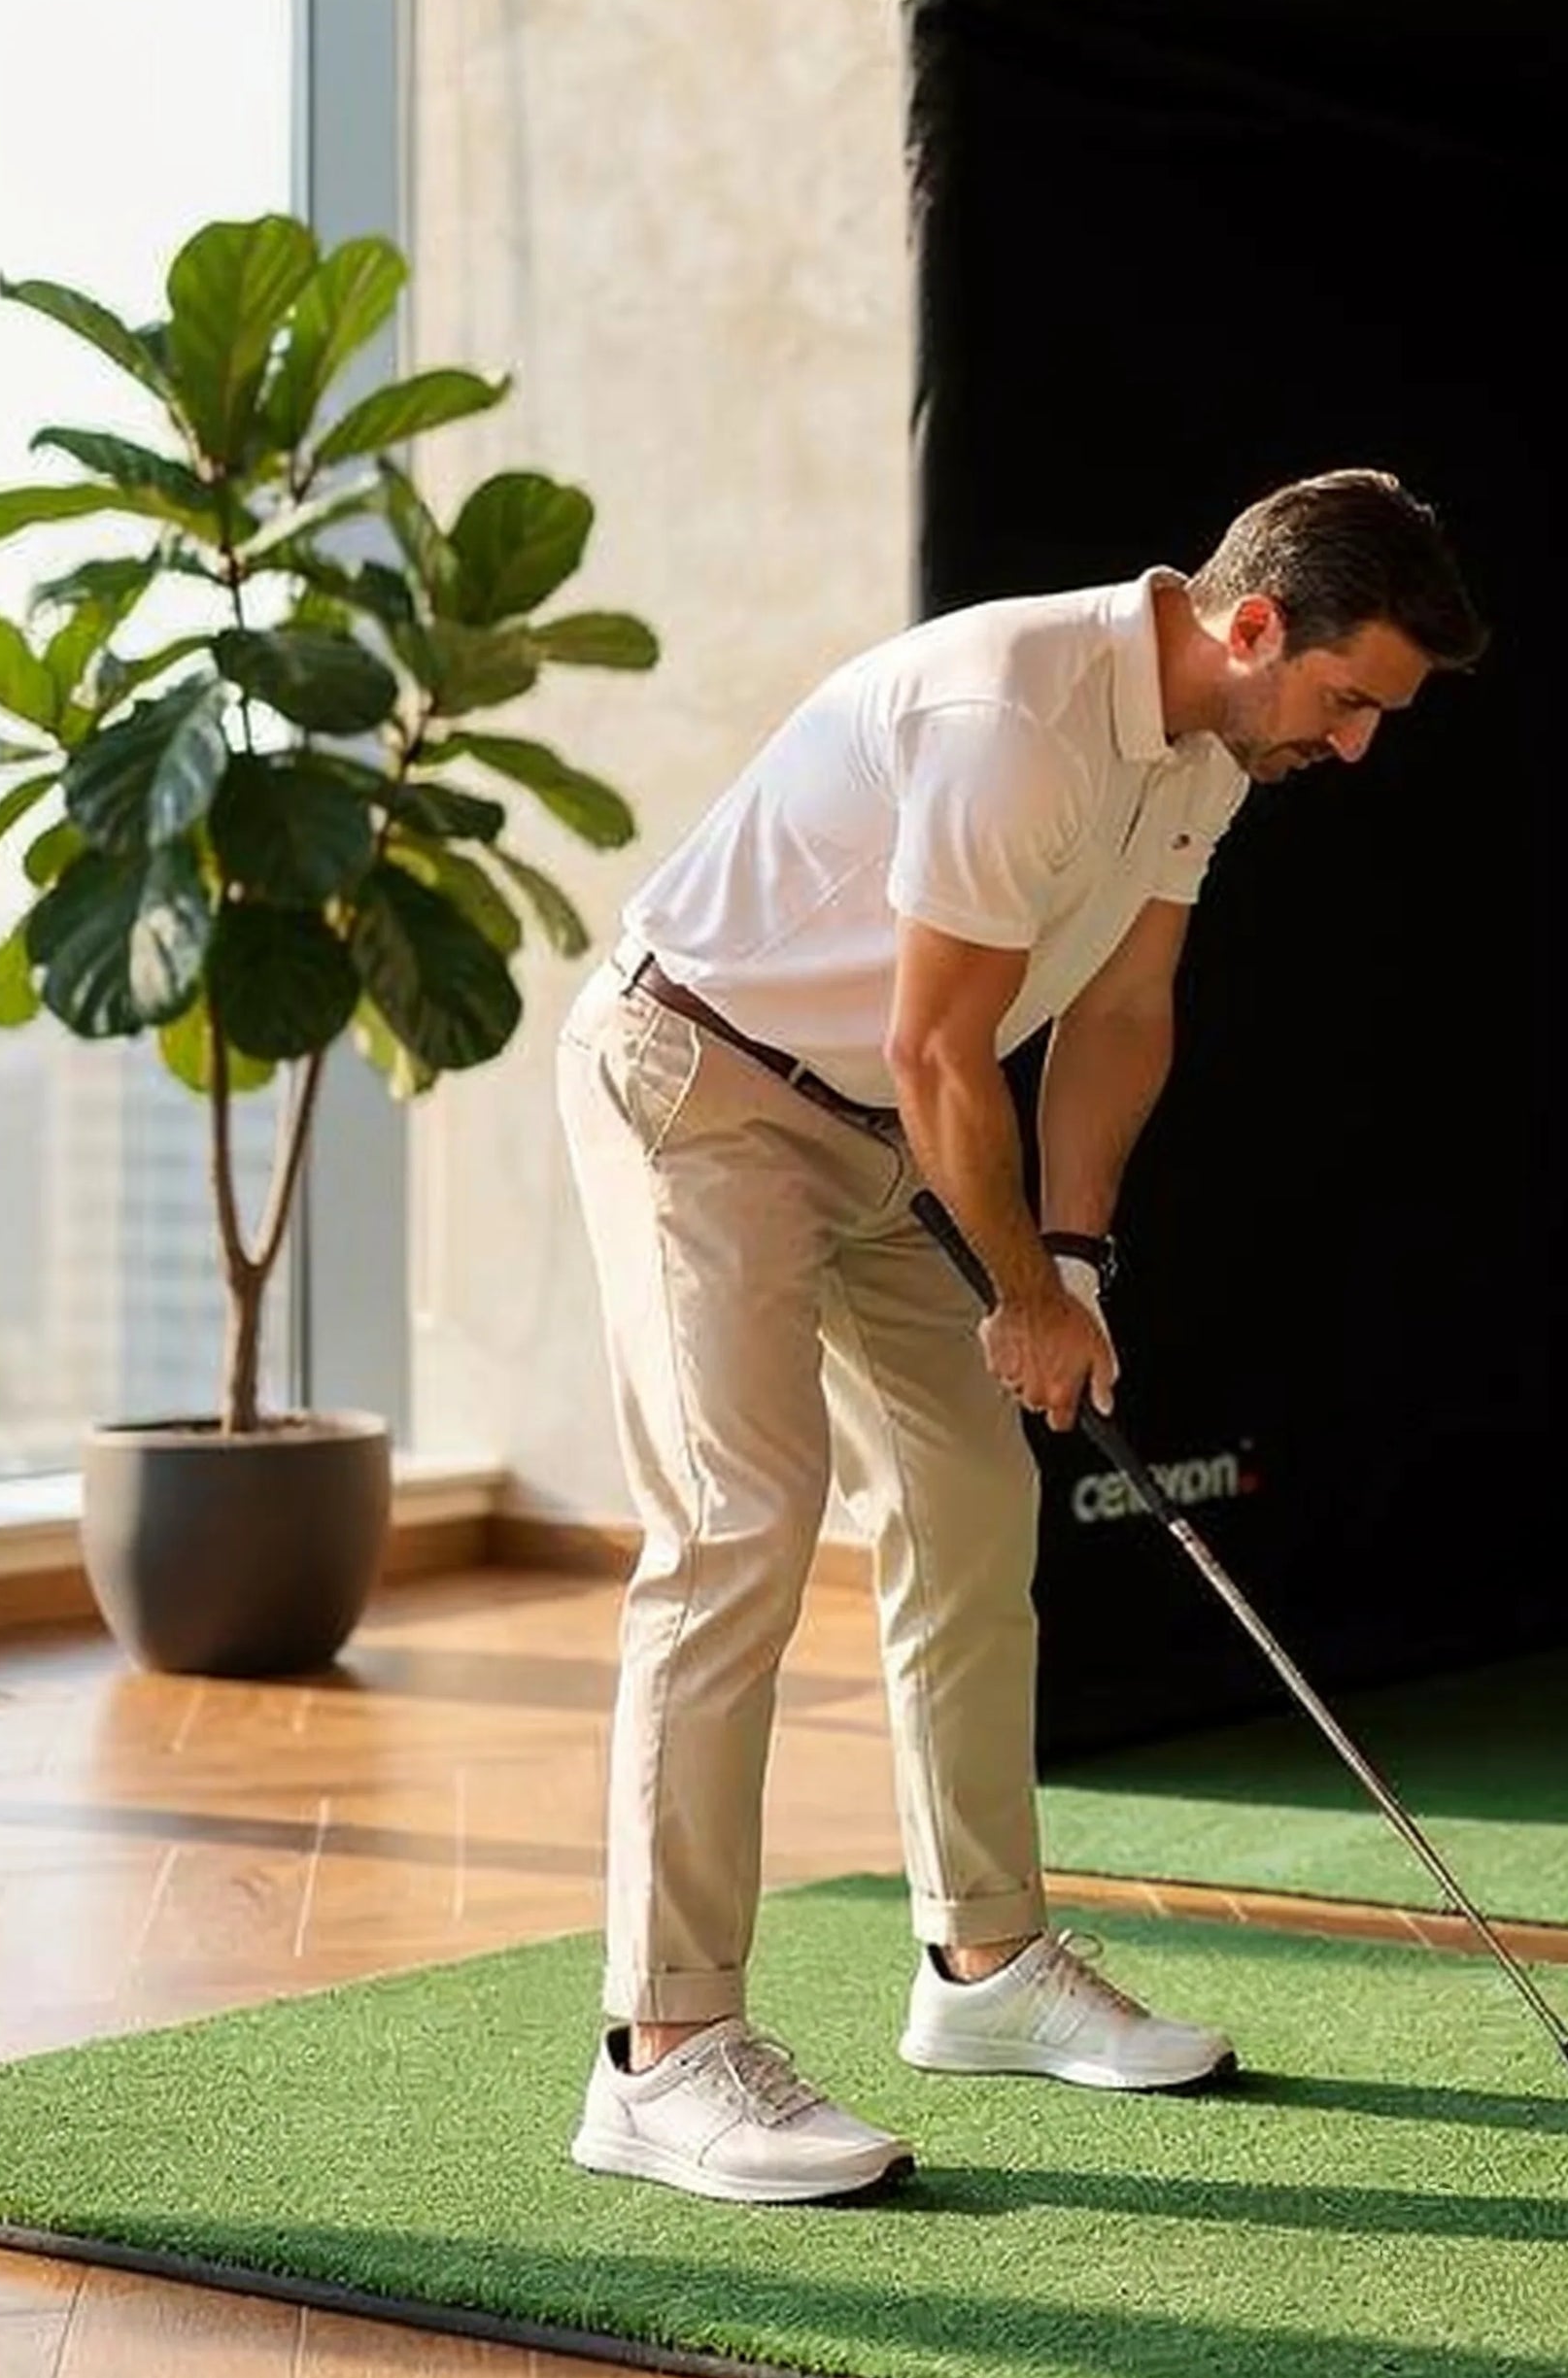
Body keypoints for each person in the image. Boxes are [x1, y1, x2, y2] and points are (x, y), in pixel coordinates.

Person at [555, 468, 1486, 2204]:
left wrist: (1070, 1261)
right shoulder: (1019, 714)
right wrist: (1030, 1309)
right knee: (740, 1528)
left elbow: (1125, 1014)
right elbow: (938, 1044)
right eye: (1349, 701)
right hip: (701, 1084)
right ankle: (660, 2055)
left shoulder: (1210, 751)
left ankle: (981, 1971)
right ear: (1254, 624)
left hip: (886, 1133)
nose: (1355, 748)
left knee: (974, 1518)